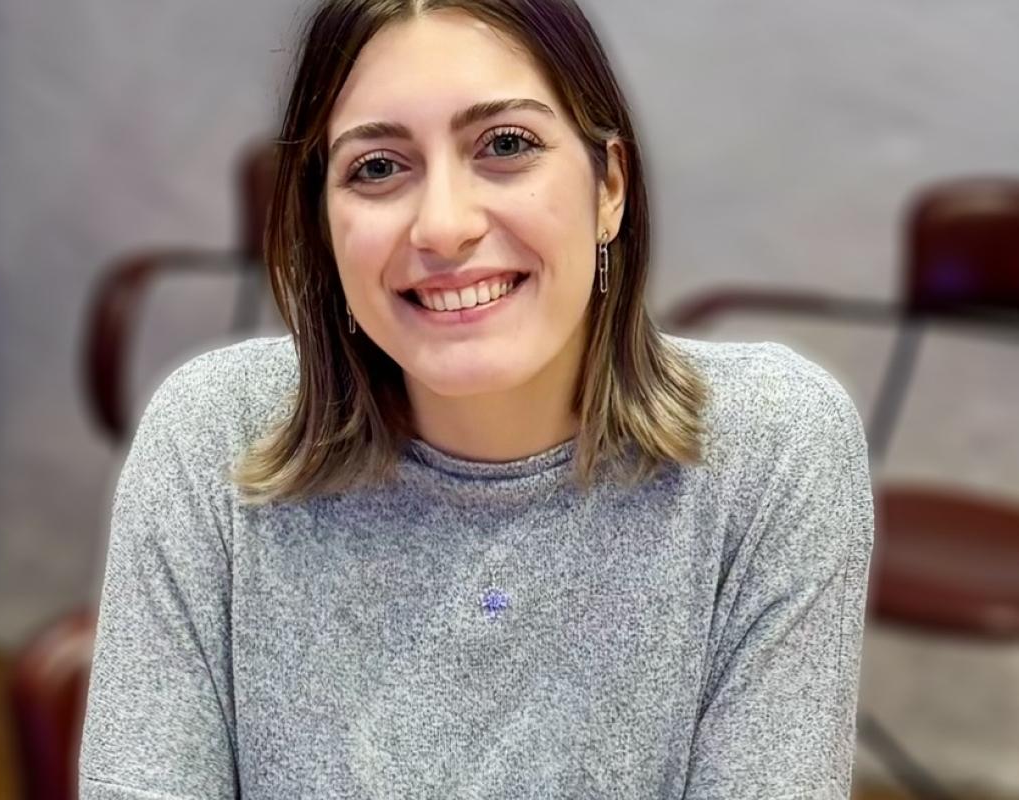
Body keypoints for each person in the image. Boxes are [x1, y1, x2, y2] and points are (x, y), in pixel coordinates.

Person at [78, 0, 875, 797]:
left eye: (506, 145)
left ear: (610, 186)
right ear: (322, 226)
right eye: (377, 167)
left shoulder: (770, 449)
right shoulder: (212, 439)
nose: (444, 226)